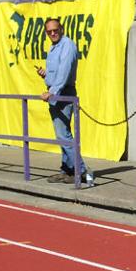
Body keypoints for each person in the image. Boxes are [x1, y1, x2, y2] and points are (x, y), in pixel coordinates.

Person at [39, 18, 94, 186]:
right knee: (62, 134)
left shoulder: (67, 45)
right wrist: (45, 74)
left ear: (61, 29)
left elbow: (64, 72)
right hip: (58, 93)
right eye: (49, 32)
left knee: (63, 135)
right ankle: (68, 170)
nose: (53, 33)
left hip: (63, 93)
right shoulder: (54, 47)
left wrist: (52, 91)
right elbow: (57, 73)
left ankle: (83, 171)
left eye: (55, 30)